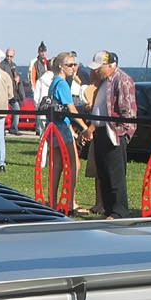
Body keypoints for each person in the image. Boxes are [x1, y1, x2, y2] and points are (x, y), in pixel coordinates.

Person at [80, 50, 136, 219]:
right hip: (101, 131)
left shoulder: (122, 80)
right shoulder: (104, 81)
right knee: (104, 172)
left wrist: (122, 134)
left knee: (115, 175)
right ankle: (109, 208)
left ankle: (119, 211)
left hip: (114, 133)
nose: (96, 71)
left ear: (110, 66)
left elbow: (128, 112)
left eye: (99, 68)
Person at [44, 52, 89, 211]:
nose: (73, 68)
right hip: (62, 128)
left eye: (74, 64)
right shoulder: (62, 83)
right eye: (70, 65)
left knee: (56, 165)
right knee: (73, 165)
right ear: (61, 66)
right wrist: (84, 127)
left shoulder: (54, 82)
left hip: (53, 127)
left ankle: (53, 201)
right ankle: (70, 201)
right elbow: (70, 108)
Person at [0, 48, 24, 135]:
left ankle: (14, 128)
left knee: (16, 109)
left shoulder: (14, 65)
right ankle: (2, 129)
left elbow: (16, 77)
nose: (9, 58)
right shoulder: (2, 65)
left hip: (13, 92)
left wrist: (18, 79)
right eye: (7, 56)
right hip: (5, 91)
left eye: (11, 56)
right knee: (3, 111)